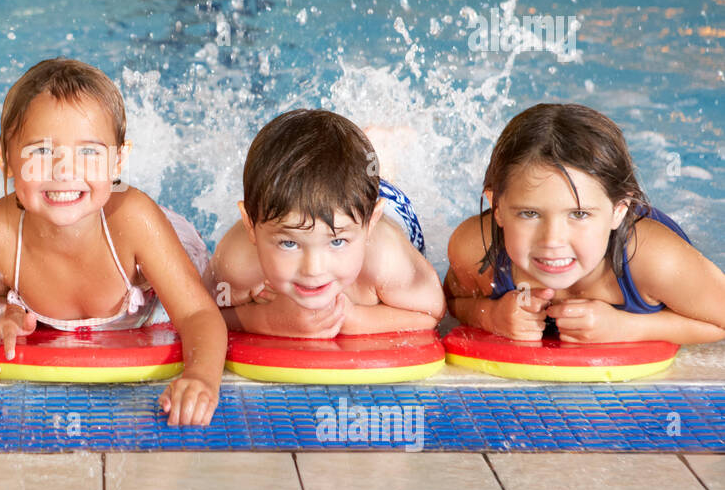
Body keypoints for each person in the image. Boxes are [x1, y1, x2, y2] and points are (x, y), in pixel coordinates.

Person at [0, 58, 225, 427]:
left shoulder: (134, 221)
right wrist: (3, 313)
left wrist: (201, 377)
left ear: (119, 160)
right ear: (4, 158)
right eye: (41, 152)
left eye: (89, 152)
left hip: (153, 254)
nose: (65, 171)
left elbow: (198, 313)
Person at [445, 103, 725, 343]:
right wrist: (490, 316)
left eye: (579, 214)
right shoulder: (476, 250)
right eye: (530, 213)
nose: (552, 240)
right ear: (497, 207)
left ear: (619, 211)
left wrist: (626, 327)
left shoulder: (654, 260)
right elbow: (452, 302)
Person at [207, 109, 444, 338]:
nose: (313, 269)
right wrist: (269, 321)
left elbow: (431, 313)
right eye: (289, 243)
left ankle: (380, 151)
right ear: (250, 227)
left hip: (385, 207)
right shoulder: (237, 262)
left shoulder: (385, 260)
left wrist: (353, 319)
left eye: (338, 241)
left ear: (370, 224)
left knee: (380, 178)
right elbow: (201, 308)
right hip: (343, 212)